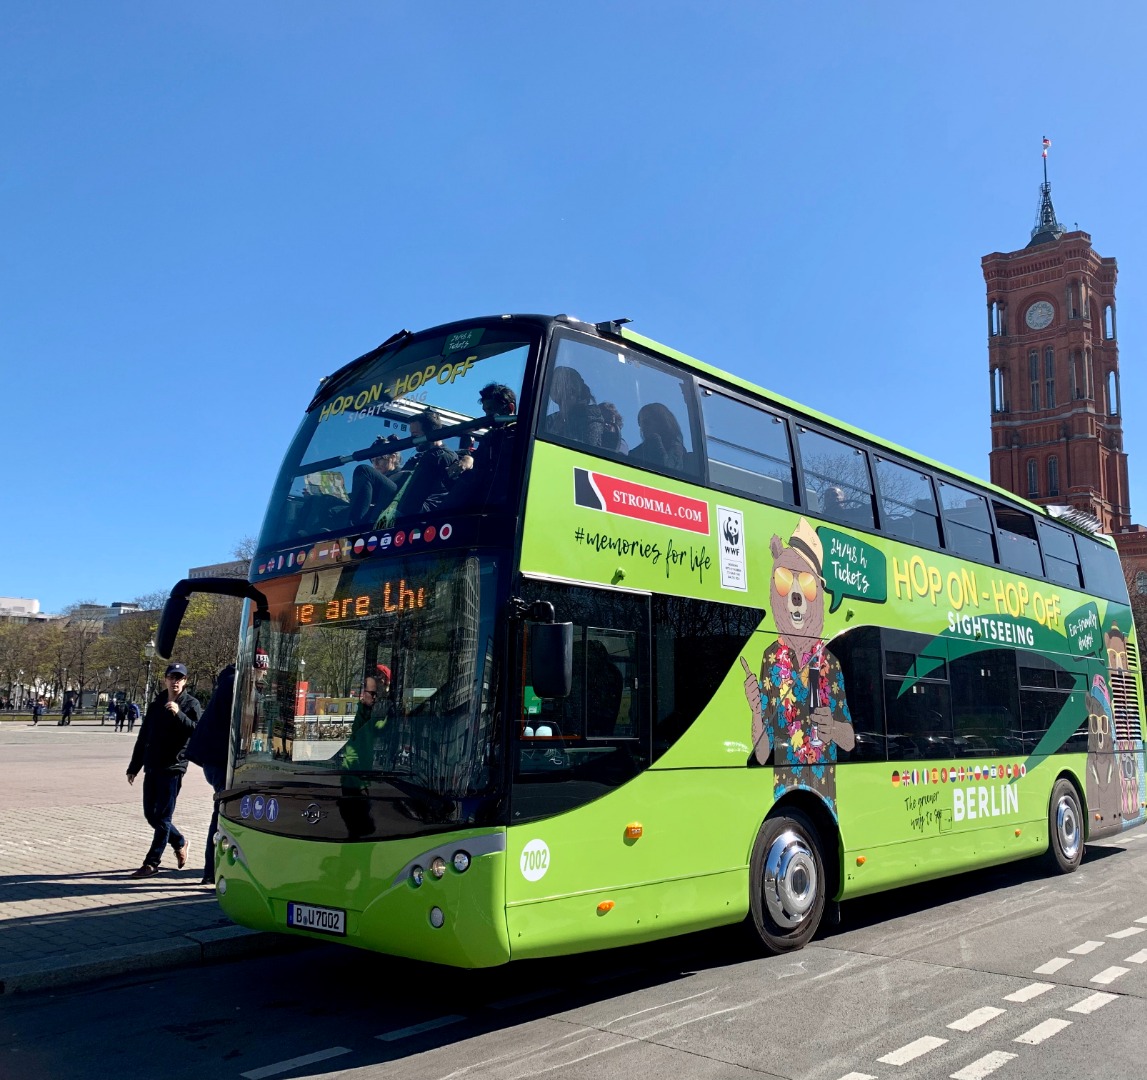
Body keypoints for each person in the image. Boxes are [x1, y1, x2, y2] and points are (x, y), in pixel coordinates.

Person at [125, 662, 203, 878]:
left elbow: (196, 731)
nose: (175, 681)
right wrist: (134, 766)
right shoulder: (156, 704)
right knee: (151, 815)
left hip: (173, 767)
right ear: (165, 679)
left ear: (185, 681)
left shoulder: (191, 704)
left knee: (163, 817)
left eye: (180, 678)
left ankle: (151, 863)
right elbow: (144, 738)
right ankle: (180, 841)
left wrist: (179, 714)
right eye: (172, 677)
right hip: (152, 765)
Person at [432, 383, 518, 510]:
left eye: (491, 410)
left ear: (510, 408)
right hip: (480, 505)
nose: (487, 416)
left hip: (502, 508)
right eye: (485, 411)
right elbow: (477, 459)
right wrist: (468, 458)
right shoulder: (490, 437)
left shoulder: (521, 436)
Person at [186, 663, 234, 886]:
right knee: (222, 812)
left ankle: (209, 870)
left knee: (221, 810)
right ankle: (211, 869)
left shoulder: (228, 680)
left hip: (213, 759)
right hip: (221, 759)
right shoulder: (236, 682)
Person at [394, 410, 458, 517]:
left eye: (415, 435)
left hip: (420, 513)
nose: (413, 440)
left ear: (430, 433)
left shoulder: (439, 457)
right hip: (408, 509)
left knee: (364, 471)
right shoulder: (420, 457)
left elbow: (414, 496)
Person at [349, 435, 408, 528]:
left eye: (379, 458)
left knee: (363, 470)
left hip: (394, 501)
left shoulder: (404, 475)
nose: (375, 464)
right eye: (373, 460)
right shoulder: (370, 482)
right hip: (374, 516)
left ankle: (353, 528)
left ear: (393, 457)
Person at [543, 366, 604, 446]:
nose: (555, 389)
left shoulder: (590, 417)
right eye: (554, 386)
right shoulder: (549, 420)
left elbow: (590, 450)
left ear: (574, 391)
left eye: (558, 384)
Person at [629, 403, 687, 470]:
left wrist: (655, 442)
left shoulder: (677, 451)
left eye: (646, 422)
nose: (643, 428)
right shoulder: (635, 454)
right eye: (641, 424)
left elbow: (666, 471)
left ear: (662, 422)